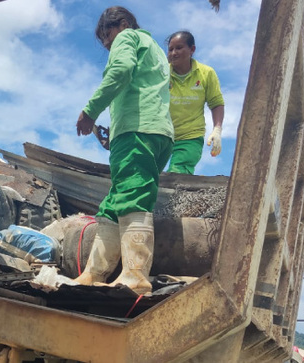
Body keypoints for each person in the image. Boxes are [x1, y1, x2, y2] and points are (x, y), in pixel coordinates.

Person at [74, 6, 174, 294]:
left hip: (136, 132)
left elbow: (120, 70)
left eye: (108, 36)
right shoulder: (154, 50)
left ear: (123, 24)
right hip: (155, 133)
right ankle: (94, 273)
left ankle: (135, 276)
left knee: (132, 198)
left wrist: (90, 111)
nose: (108, 45)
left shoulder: (128, 37)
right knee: (112, 206)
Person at [166, 30, 225, 174]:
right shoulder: (161, 73)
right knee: (144, 172)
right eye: (170, 49)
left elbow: (216, 102)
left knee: (177, 173)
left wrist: (217, 130)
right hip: (161, 133)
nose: (174, 53)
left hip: (190, 137)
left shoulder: (206, 73)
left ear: (192, 49)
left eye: (179, 48)